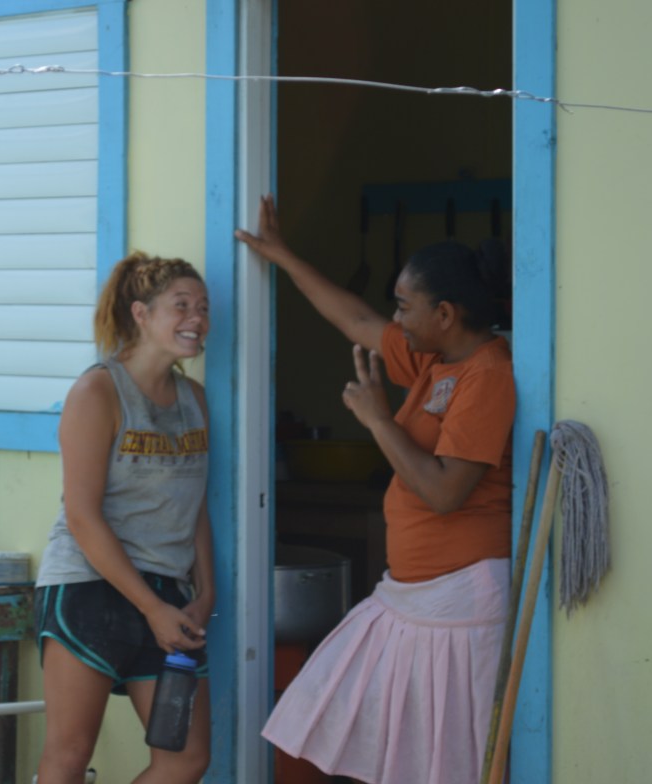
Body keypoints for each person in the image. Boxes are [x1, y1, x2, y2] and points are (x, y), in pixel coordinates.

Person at [236, 195, 515, 784]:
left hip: (459, 605)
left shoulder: (488, 374)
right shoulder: (434, 361)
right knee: (322, 724)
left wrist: (378, 420)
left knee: (442, 767)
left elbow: (445, 494)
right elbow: (356, 320)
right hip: (408, 599)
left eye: (405, 306)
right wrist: (283, 256)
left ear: (445, 313)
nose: (397, 318)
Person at [33, 251, 216, 784]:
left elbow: (195, 504)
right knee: (69, 756)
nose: (197, 318)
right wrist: (151, 607)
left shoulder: (196, 399)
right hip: (90, 587)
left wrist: (206, 593)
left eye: (203, 308)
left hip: (168, 595)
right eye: (181, 305)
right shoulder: (98, 391)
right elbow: (82, 516)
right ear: (141, 313)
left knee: (186, 759)